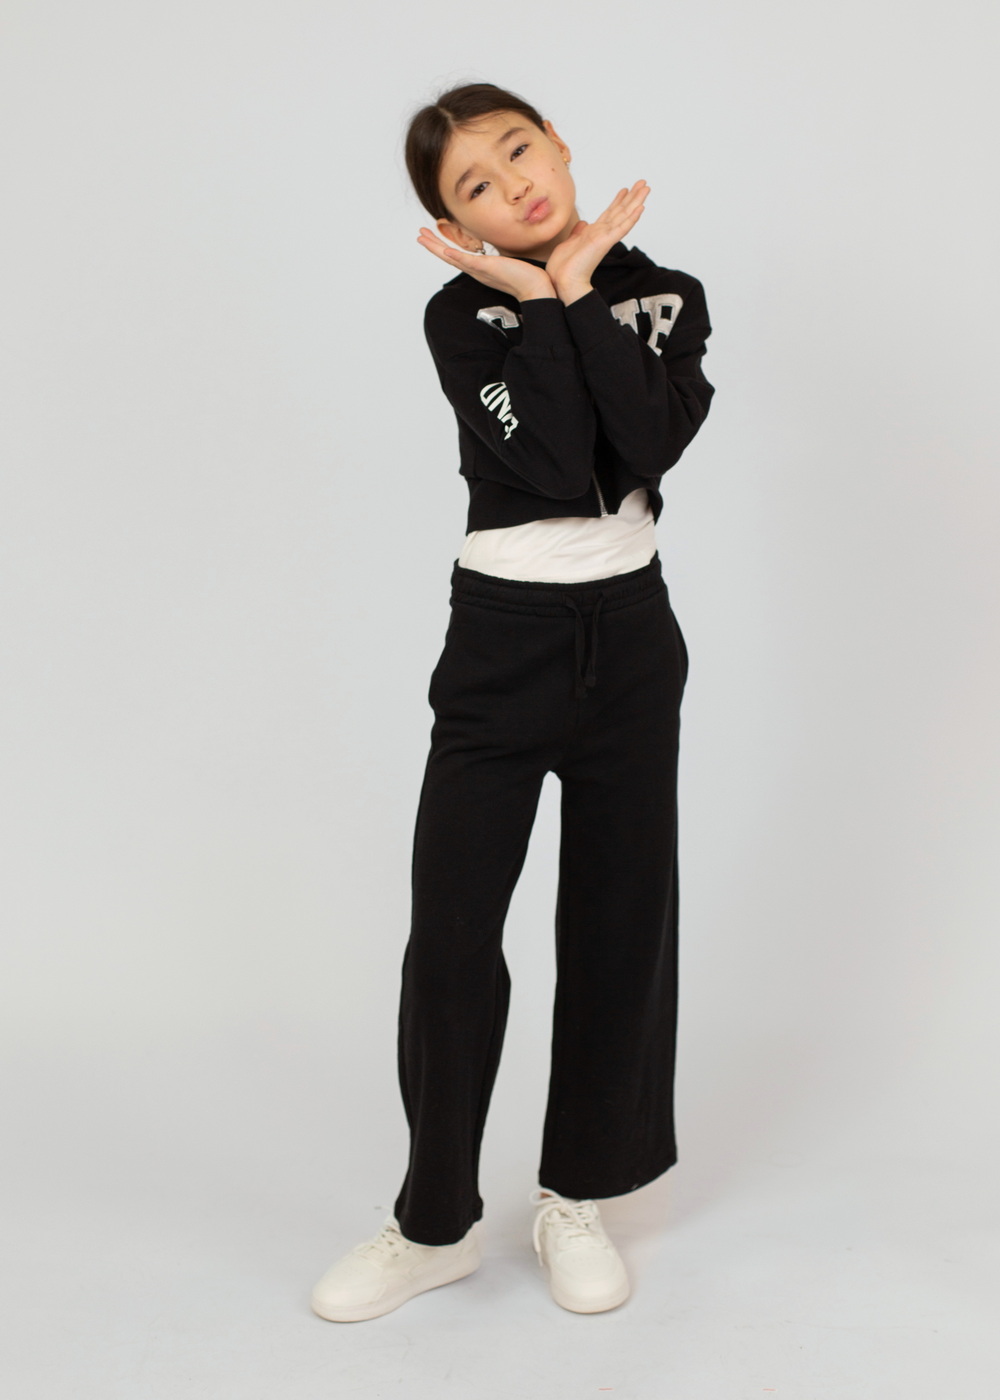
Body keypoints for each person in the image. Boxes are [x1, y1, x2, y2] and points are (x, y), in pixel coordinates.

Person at [311, 81, 715, 1323]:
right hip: (501, 645)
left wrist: (580, 292)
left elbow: (643, 443)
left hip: (631, 643)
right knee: (450, 934)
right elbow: (544, 459)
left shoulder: (664, 295)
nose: (513, 186)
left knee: (616, 924)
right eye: (474, 187)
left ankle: (575, 1194)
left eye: (518, 151)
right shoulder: (461, 314)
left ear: (560, 146)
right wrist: (540, 301)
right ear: (457, 225)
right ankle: (431, 1221)